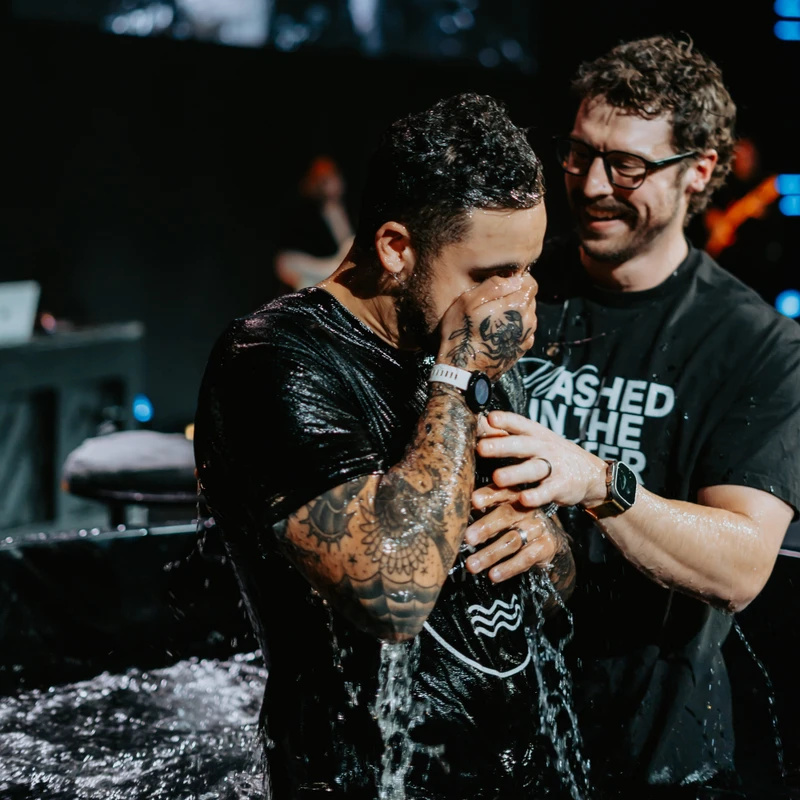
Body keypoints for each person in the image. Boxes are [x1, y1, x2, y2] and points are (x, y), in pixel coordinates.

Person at [194, 93, 578, 799]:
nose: (516, 299)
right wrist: (458, 376)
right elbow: (394, 594)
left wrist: (547, 542)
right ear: (396, 248)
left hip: (518, 770)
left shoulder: (463, 346)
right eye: (492, 273)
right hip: (370, 777)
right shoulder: (274, 360)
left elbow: (546, 603)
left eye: (527, 267)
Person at [466, 36, 800, 797]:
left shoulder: (757, 346)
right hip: (487, 739)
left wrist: (595, 482)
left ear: (700, 174)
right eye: (579, 154)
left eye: (628, 166)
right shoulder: (511, 291)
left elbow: (742, 565)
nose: (589, 185)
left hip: (654, 758)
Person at [274, 155, 355, 291]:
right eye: (322, 180)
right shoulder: (306, 216)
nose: (329, 183)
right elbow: (287, 260)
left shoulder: (352, 207)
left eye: (332, 176)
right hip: (324, 274)